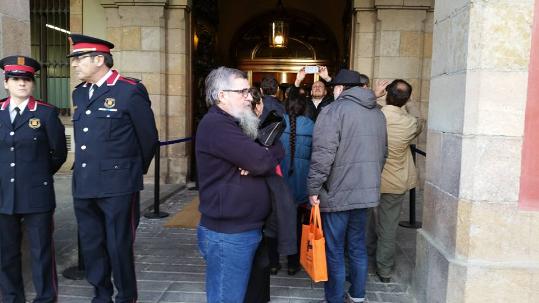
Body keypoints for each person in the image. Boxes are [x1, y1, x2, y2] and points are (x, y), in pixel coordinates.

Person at [67, 34, 158, 303]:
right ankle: (101, 295)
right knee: (92, 245)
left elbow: (148, 138)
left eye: (79, 59)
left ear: (99, 60)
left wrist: (129, 172)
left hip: (118, 185)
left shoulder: (129, 90)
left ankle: (126, 297)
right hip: (84, 183)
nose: (74, 65)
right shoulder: (80, 93)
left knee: (118, 246)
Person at [196, 67, 284, 302]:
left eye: (249, 91)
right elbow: (261, 160)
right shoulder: (217, 125)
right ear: (221, 95)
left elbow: (276, 148)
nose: (248, 96)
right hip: (228, 235)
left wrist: (262, 154)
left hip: (244, 229)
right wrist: (260, 157)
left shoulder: (238, 123)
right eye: (242, 91)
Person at [307, 69, 387, 303]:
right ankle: (358, 295)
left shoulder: (333, 111)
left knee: (334, 250)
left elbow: (322, 156)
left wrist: (313, 189)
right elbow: (384, 154)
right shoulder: (378, 114)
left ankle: (334, 298)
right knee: (357, 246)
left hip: (337, 193)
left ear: (339, 88)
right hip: (365, 192)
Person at [0, 55, 67, 303]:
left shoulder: (46, 114)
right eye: (16, 79)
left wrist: (37, 175)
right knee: (6, 254)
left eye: (27, 79)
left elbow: (58, 153)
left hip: (36, 194)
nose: (21, 84)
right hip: (3, 195)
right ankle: (11, 298)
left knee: (41, 253)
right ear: (6, 82)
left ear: (33, 83)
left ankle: (46, 298)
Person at [371, 79, 424, 283]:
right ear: (406, 99)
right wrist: (410, 102)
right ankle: (384, 270)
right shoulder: (410, 122)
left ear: (387, 94)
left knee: (364, 223)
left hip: (371, 177)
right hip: (395, 181)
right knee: (388, 227)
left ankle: (364, 257)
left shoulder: (375, 116)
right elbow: (419, 120)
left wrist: (376, 95)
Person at [272, 89, 314, 275]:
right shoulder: (312, 126)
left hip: (279, 180)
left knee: (274, 222)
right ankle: (293, 263)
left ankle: (273, 262)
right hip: (302, 181)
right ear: (304, 107)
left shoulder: (276, 123)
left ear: (285, 107)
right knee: (298, 223)